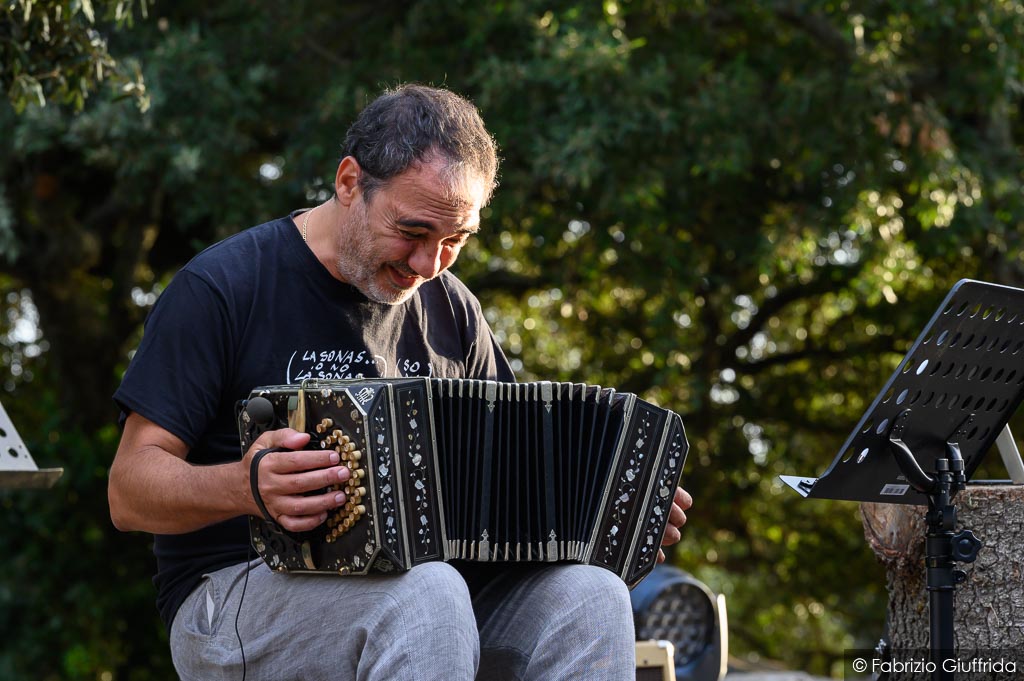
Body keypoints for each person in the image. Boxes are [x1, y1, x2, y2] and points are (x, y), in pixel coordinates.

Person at [108, 83, 693, 681]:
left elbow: (518, 480)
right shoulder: (225, 286)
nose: (427, 264)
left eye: (454, 241)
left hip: (431, 593)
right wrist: (245, 486)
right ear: (348, 182)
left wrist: (615, 508)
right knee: (425, 594)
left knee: (590, 595)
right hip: (233, 595)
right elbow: (128, 492)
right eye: (412, 232)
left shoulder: (454, 312)